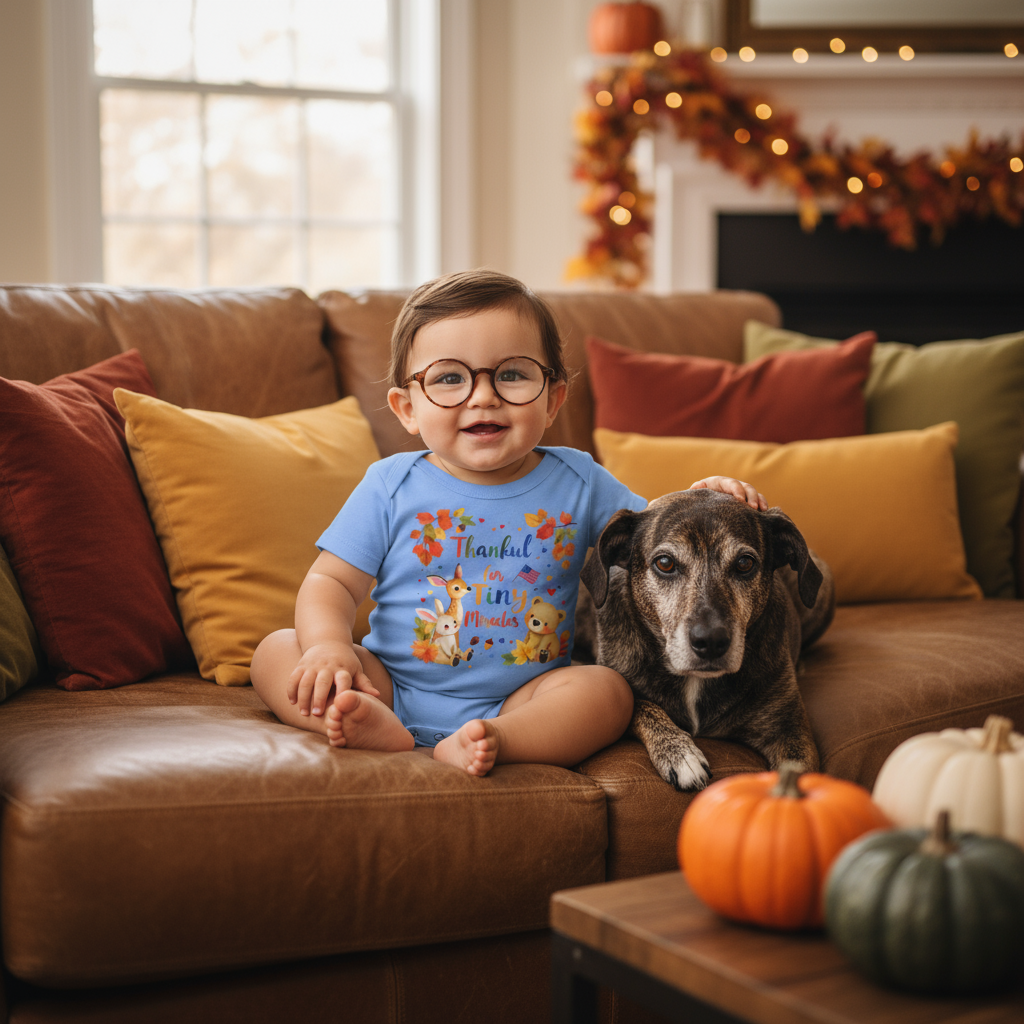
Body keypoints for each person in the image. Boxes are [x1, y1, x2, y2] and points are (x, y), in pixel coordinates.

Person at [250, 270, 765, 777]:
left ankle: (495, 740)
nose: (482, 396)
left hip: (523, 698)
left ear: (553, 398)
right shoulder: (390, 484)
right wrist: (329, 649)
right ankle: (367, 722)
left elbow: (657, 533)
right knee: (275, 652)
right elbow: (331, 581)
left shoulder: (579, 480)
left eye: (512, 374)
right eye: (450, 377)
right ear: (407, 408)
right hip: (389, 684)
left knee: (606, 692)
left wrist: (705, 494)